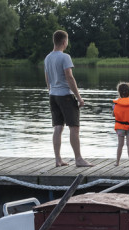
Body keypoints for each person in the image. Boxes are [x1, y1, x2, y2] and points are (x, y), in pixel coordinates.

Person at [44, 30, 91, 167]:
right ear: (64, 42)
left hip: (53, 95)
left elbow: (47, 77)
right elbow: (69, 77)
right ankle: (78, 159)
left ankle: (58, 160)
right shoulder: (65, 57)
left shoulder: (48, 57)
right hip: (65, 95)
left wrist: (50, 90)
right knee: (74, 127)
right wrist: (79, 97)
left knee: (58, 127)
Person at [112, 82, 129, 166]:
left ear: (119, 92)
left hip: (120, 127)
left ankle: (117, 162)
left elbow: (114, 114)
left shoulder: (116, 104)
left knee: (120, 144)